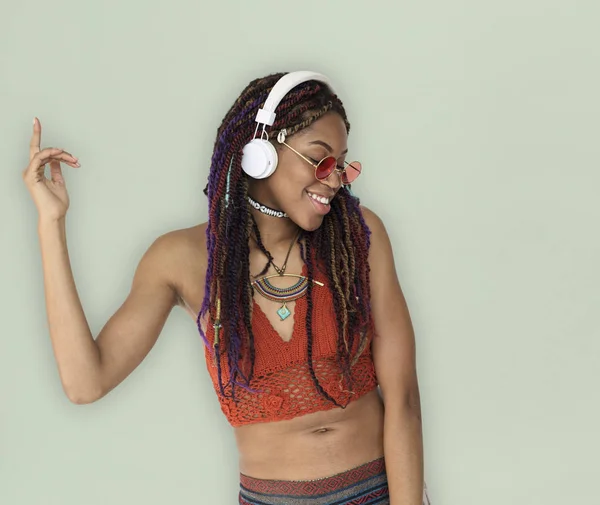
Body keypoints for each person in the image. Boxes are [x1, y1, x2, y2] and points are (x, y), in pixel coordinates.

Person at [23, 70, 431, 504]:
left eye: (343, 164)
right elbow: (86, 383)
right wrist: (51, 224)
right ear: (261, 154)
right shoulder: (181, 259)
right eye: (320, 159)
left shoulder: (359, 237)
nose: (334, 180)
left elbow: (403, 399)